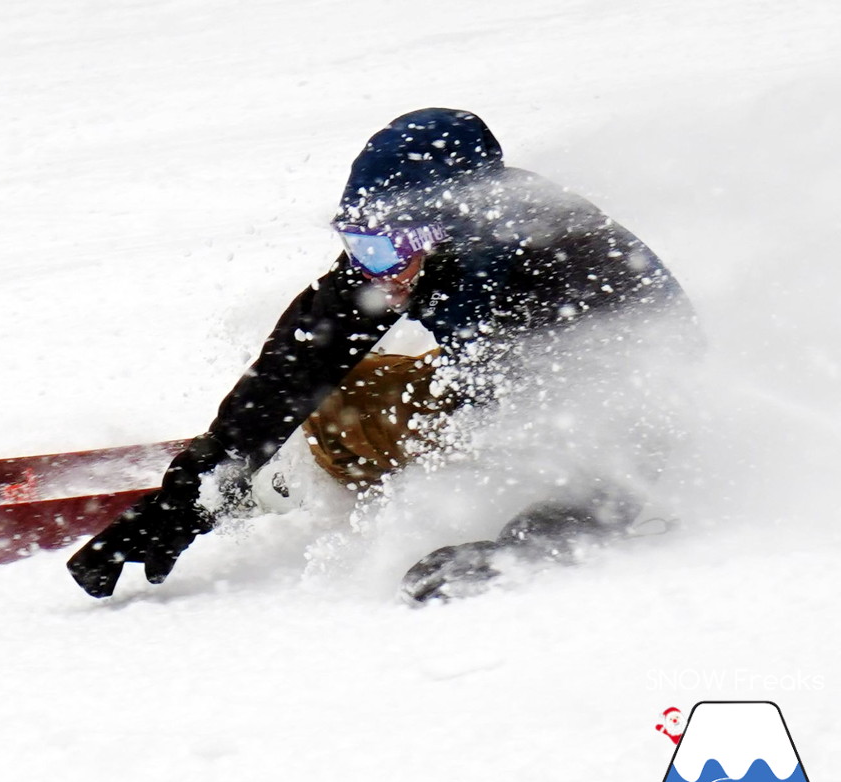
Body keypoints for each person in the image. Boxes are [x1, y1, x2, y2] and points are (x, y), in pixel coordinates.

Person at [67, 107, 698, 603]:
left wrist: (531, 545)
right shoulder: (412, 256)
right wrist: (187, 499)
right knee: (340, 395)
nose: (377, 271)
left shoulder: (569, 268)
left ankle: (338, 471)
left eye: (387, 248)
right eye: (360, 244)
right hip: (491, 388)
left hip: (599, 419)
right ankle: (301, 468)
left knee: (427, 425)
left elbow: (639, 430)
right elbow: (295, 366)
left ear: (451, 229)